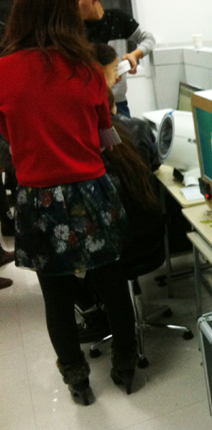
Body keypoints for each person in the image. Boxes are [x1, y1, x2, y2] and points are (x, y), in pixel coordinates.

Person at [0, 0, 137, 405]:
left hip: (38, 199)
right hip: (90, 192)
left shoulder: (2, 72)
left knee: (56, 297)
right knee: (112, 284)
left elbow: (8, 134)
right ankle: (125, 363)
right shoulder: (87, 69)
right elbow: (106, 135)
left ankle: (77, 379)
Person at [75, 43, 162, 343]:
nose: (119, 76)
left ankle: (96, 315)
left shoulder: (82, 146)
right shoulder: (138, 129)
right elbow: (155, 166)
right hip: (149, 239)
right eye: (114, 71)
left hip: (107, 250)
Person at [79, 0, 156, 117]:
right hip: (89, 104)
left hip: (118, 102)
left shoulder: (118, 18)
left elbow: (148, 39)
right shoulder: (74, 29)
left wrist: (135, 55)